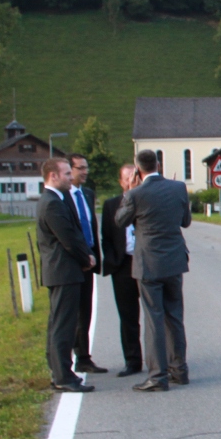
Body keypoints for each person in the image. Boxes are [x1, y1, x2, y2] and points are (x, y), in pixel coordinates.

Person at [116, 149, 192, 392]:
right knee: (174, 316)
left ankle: (158, 376)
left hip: (148, 264)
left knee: (154, 320)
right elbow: (186, 221)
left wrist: (129, 191)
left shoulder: (135, 194)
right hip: (174, 261)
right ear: (158, 164)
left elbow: (120, 221)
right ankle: (179, 370)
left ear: (138, 170)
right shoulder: (178, 187)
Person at [36, 158, 95, 393]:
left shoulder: (54, 200)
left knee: (59, 323)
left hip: (61, 271)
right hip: (63, 271)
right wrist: (86, 258)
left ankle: (59, 372)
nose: (71, 178)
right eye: (67, 174)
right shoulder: (52, 203)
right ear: (53, 176)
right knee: (63, 325)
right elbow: (67, 238)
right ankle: (62, 375)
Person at [101, 163, 144, 378]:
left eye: (134, 177)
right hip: (123, 264)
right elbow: (106, 237)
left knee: (155, 314)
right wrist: (114, 261)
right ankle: (132, 361)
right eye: (127, 178)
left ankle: (160, 359)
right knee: (128, 317)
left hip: (146, 262)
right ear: (121, 182)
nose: (131, 181)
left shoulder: (147, 200)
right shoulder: (111, 205)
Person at [67, 153, 106, 374]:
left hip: (89, 259)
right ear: (69, 170)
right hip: (72, 261)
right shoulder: (63, 197)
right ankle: (68, 359)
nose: (85, 172)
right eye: (80, 168)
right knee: (71, 312)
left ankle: (83, 357)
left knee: (85, 310)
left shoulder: (87, 194)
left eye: (86, 167)